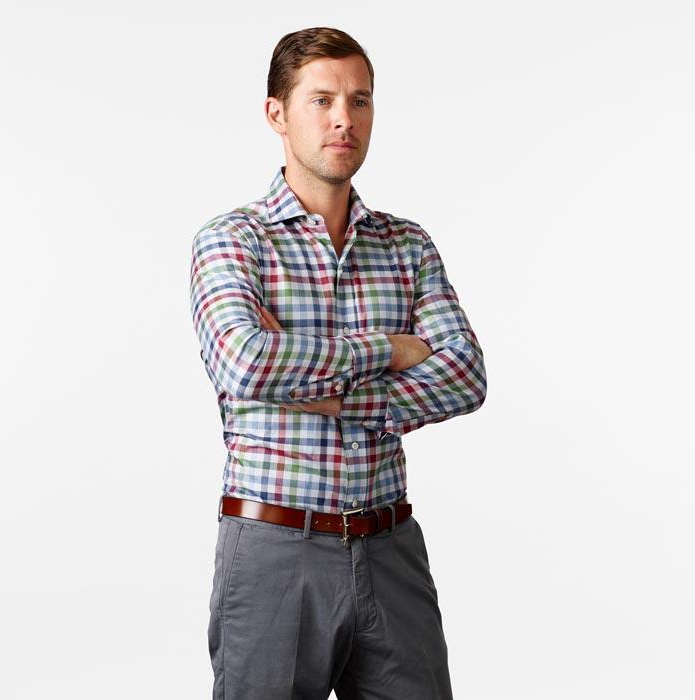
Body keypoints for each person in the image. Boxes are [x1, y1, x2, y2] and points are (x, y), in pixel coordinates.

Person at [189, 26, 487, 700]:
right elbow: (245, 364)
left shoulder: (406, 245)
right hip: (275, 549)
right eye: (321, 100)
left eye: (360, 100)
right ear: (277, 113)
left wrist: (329, 393)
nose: (343, 119)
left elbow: (466, 375)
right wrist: (390, 350)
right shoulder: (233, 242)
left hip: (390, 545)